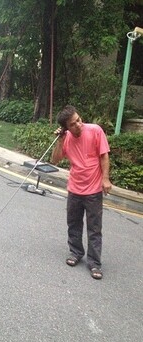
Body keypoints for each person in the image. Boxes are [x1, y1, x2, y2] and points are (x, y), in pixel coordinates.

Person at [51, 105, 112, 280]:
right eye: (73, 123)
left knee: (94, 228)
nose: (79, 124)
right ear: (66, 127)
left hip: (93, 190)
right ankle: (76, 252)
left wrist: (105, 179)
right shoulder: (66, 138)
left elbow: (104, 156)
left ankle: (94, 263)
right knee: (73, 223)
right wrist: (60, 140)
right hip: (75, 188)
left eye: (78, 119)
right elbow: (55, 159)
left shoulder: (95, 130)